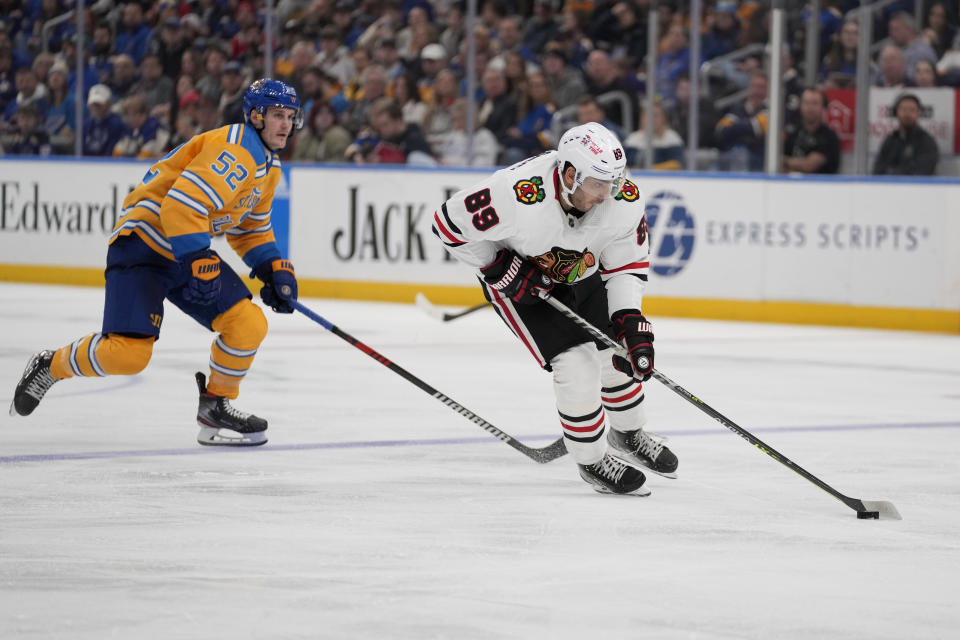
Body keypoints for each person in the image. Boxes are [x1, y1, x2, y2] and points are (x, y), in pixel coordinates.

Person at [10, 79, 304, 449]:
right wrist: (198, 257)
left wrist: (272, 266)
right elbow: (181, 205)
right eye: (278, 115)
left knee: (248, 323)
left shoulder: (267, 164)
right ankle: (50, 365)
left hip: (183, 247)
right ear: (257, 116)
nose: (286, 125)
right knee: (128, 355)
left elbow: (250, 229)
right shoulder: (237, 149)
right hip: (143, 245)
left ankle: (215, 407)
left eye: (291, 117)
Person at [432, 122, 678, 495]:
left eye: (612, 183)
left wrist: (628, 318)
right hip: (522, 286)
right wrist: (498, 267)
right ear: (568, 174)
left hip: (580, 270)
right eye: (597, 184)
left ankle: (628, 435)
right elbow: (446, 224)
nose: (606, 194)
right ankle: (593, 461)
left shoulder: (623, 198)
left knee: (617, 348)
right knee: (577, 364)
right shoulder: (514, 194)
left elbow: (626, 265)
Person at [873, 93, 939, 176]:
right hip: (887, 187)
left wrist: (893, 173)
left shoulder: (927, 142)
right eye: (903, 110)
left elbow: (923, 171)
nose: (907, 114)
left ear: (918, 113)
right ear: (896, 113)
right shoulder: (890, 140)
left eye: (912, 110)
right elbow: (877, 169)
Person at [782, 87, 840, 174]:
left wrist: (785, 161)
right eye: (806, 103)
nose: (810, 108)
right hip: (790, 185)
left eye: (815, 103)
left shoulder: (829, 137)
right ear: (800, 106)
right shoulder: (793, 132)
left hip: (820, 186)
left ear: (823, 107)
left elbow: (809, 165)